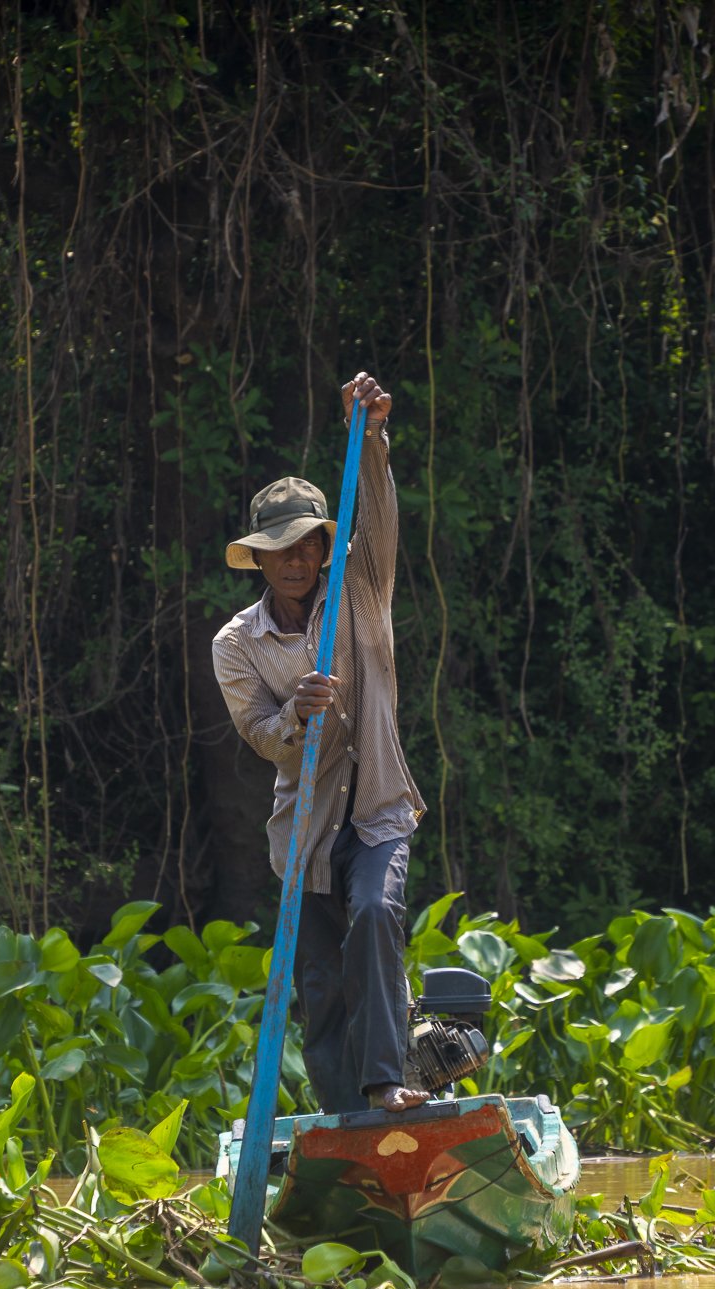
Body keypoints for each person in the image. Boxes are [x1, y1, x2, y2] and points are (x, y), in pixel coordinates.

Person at [212, 371, 429, 1116]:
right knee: (323, 987)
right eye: (281, 551)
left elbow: (377, 511)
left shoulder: (358, 583)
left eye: (307, 544)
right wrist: (299, 717)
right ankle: (348, 1123)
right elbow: (264, 738)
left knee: (374, 912)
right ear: (261, 560)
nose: (297, 560)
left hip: (376, 805)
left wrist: (369, 436)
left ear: (321, 545)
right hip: (304, 829)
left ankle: (386, 1084)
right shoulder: (237, 643)